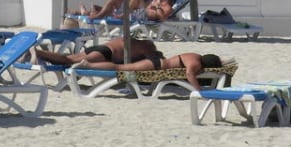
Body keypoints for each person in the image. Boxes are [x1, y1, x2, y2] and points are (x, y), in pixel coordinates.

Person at [74, 51, 224, 91]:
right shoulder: (196, 62)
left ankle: (89, 64)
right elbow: (190, 73)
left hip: (157, 63)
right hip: (155, 66)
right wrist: (199, 90)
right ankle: (89, 65)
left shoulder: (195, 55)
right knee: (119, 68)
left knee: (120, 67)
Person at [34, 36, 159, 67]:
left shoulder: (130, 40)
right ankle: (38, 53)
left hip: (100, 47)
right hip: (106, 53)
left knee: (69, 57)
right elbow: (153, 62)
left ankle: (38, 53)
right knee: (69, 60)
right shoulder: (147, 47)